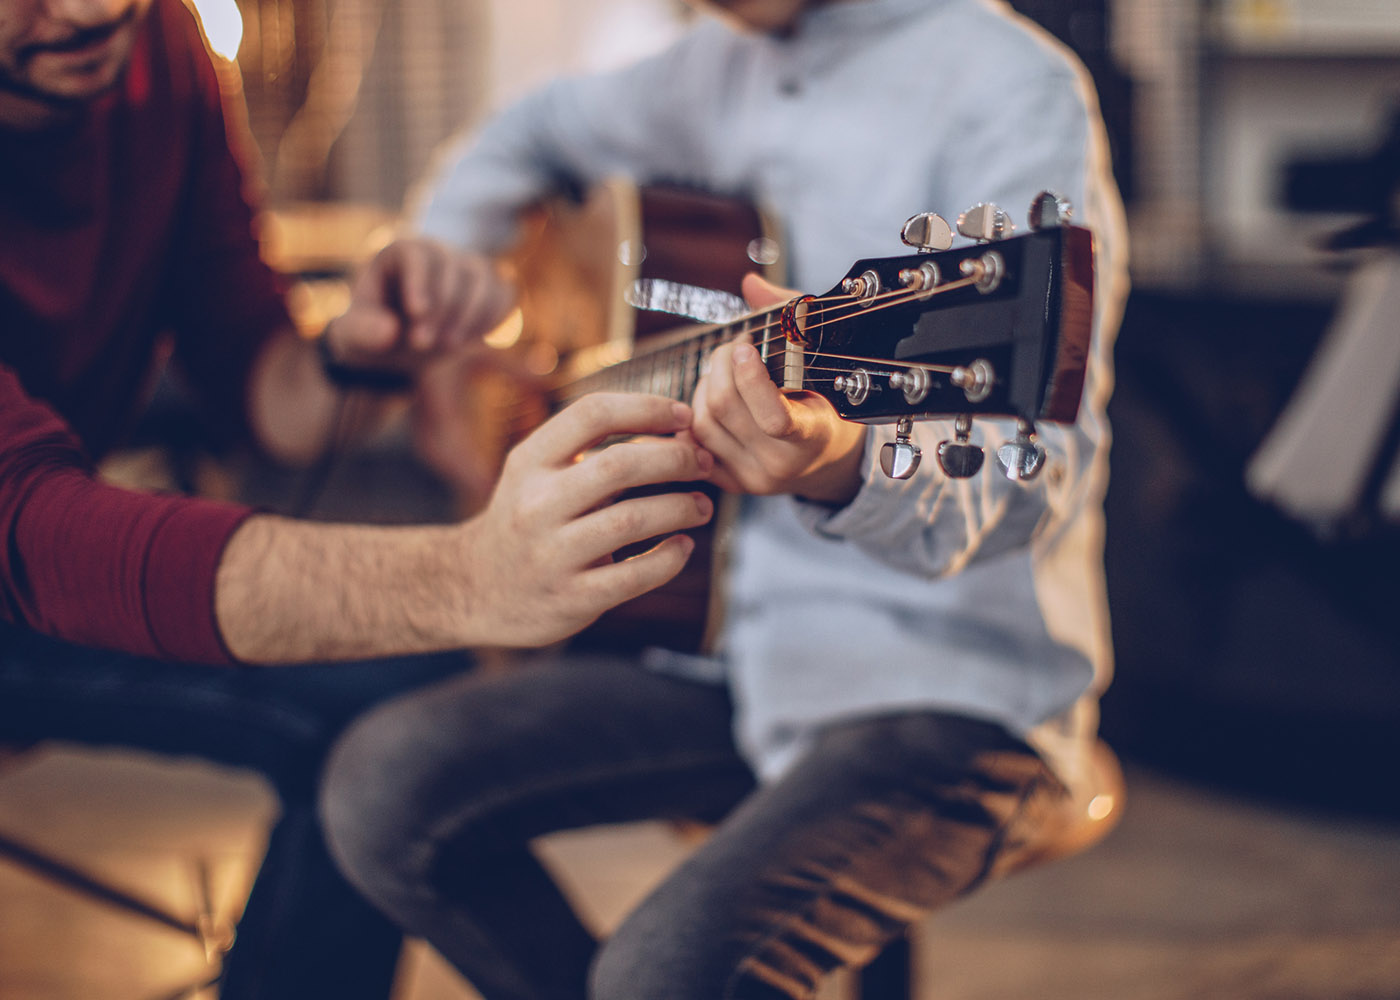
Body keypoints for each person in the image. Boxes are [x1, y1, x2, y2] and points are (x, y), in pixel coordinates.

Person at [319, 0, 1131, 997]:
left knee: (661, 975)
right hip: (730, 654)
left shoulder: (1009, 86)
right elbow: (527, 129)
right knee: (382, 786)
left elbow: (1026, 478)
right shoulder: (703, 69)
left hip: (951, 692)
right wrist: (449, 252)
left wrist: (839, 461)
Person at [0, 0, 717, 995]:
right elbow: (30, 532)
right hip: (22, 558)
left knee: (387, 704)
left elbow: (262, 389)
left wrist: (355, 351)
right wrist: (470, 574)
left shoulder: (161, 43)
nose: (88, 10)